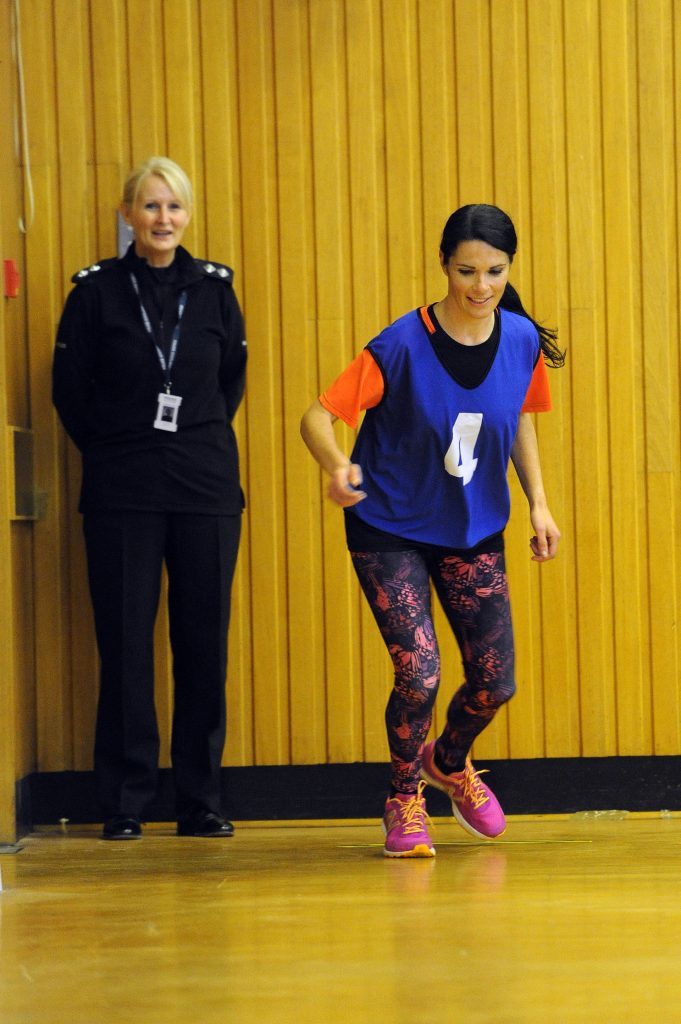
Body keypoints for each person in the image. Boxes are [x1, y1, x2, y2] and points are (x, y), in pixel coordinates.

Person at [300, 204, 563, 858]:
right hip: (387, 525)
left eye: (495, 272)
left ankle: (447, 761)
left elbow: (521, 419)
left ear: (509, 269)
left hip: (470, 528)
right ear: (443, 264)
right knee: (418, 672)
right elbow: (316, 416)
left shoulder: (521, 340)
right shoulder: (398, 344)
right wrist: (337, 466)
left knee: (494, 681)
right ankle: (402, 797)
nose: (480, 286)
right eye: (466, 270)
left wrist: (538, 503)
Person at [53, 157, 247, 841]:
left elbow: (228, 384)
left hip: (204, 489)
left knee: (203, 646)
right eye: (151, 207)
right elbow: (69, 393)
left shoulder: (215, 289)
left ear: (187, 215)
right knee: (127, 646)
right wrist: (115, 449)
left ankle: (200, 800)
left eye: (174, 207)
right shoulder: (96, 293)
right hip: (123, 490)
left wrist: (185, 443)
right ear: (128, 214)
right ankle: (126, 801)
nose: (163, 219)